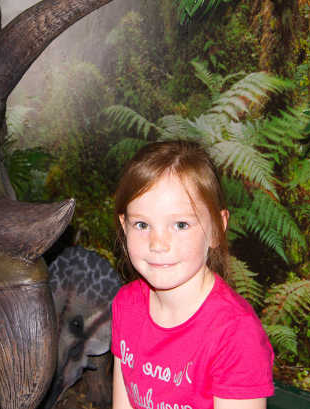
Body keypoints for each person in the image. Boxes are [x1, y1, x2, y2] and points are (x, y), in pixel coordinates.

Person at [111, 140, 274, 409]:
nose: (158, 243)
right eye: (142, 224)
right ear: (124, 226)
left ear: (216, 229)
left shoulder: (235, 335)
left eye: (180, 224)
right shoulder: (126, 305)